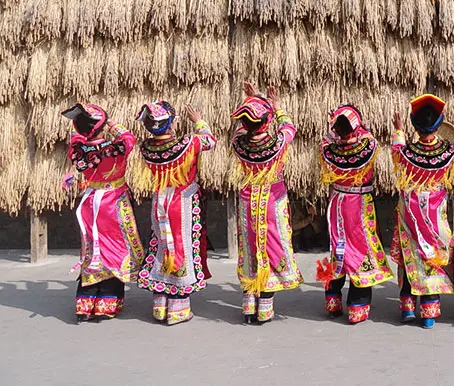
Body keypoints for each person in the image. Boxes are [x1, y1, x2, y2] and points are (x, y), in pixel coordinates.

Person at [134, 101, 216, 325]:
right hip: (183, 201)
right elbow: (210, 141)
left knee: (162, 244)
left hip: (159, 200)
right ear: (170, 123)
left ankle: (160, 303)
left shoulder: (146, 148)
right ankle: (178, 306)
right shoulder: (187, 143)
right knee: (181, 245)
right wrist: (198, 121)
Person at [61, 103, 145, 322]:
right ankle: (107, 304)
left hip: (90, 202)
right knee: (114, 248)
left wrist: (90, 127)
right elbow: (129, 138)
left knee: (91, 248)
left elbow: (76, 136)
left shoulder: (77, 150)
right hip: (114, 202)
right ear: (101, 126)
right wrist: (110, 122)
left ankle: (85, 302)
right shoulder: (114, 148)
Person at [231, 82, 303, 324]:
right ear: (267, 122)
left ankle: (249, 306)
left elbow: (240, 129)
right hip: (272, 201)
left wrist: (253, 99)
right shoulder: (278, 143)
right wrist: (275, 105)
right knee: (270, 246)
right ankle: (264, 308)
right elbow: (289, 125)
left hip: (247, 201)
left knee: (250, 248)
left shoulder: (239, 144)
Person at [318, 105, 394, 324]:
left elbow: (327, 138)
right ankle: (356, 306)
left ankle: (332, 300)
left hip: (338, 204)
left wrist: (334, 128)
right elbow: (368, 134)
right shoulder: (368, 146)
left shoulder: (328, 150)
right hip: (359, 204)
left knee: (337, 248)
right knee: (361, 250)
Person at [390, 94, 454, 329]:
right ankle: (429, 312)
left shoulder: (407, 154)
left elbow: (396, 151)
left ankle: (407, 307)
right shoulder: (448, 152)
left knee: (411, 255)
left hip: (411, 211)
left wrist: (398, 130)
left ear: (414, 127)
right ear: (438, 126)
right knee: (432, 258)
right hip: (435, 212)